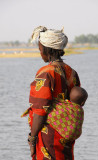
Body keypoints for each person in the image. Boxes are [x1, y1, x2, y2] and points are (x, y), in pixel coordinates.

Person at [27, 26, 81, 160]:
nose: (40, 53)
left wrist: (32, 138)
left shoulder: (46, 72)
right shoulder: (72, 72)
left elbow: (40, 111)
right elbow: (75, 103)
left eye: (40, 49)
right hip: (66, 132)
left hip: (49, 134)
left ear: (47, 49)